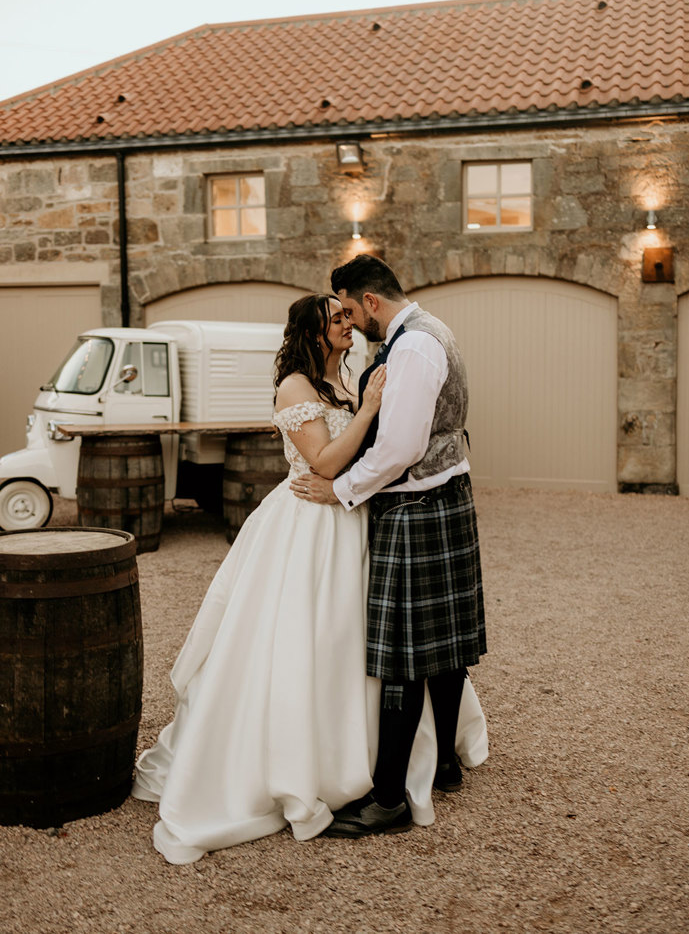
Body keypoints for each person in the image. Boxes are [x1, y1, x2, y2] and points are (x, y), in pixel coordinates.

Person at [131, 293, 487, 864]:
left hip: (353, 519)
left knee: (365, 637)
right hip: (310, 525)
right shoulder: (295, 387)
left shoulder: (347, 381)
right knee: (309, 636)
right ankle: (305, 761)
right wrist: (369, 409)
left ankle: (392, 754)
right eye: (338, 318)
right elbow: (322, 463)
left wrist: (365, 402)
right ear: (313, 332)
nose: (349, 323)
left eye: (350, 314)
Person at [290, 255, 487, 839]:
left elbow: (399, 447)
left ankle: (389, 798)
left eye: (350, 310)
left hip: (417, 504)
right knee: (445, 644)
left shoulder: (414, 347)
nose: (351, 323)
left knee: (404, 652)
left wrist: (340, 489)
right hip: (442, 497)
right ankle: (445, 762)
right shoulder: (423, 334)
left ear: (369, 301)